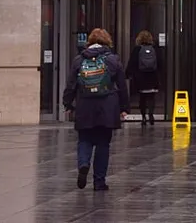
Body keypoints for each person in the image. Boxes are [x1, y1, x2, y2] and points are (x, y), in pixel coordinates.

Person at [62, 28, 129, 191]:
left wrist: (68, 104)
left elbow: (71, 85)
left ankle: (83, 164)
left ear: (90, 42)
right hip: (107, 107)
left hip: (85, 106)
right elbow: (122, 85)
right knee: (103, 144)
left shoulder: (79, 60)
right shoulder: (113, 60)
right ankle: (99, 182)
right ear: (107, 41)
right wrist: (124, 108)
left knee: (84, 140)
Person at [126, 30, 159, 127]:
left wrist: (128, 74)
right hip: (153, 77)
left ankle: (144, 117)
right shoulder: (154, 49)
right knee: (151, 97)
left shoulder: (137, 49)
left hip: (141, 77)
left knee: (142, 98)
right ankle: (151, 114)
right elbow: (160, 62)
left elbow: (132, 63)